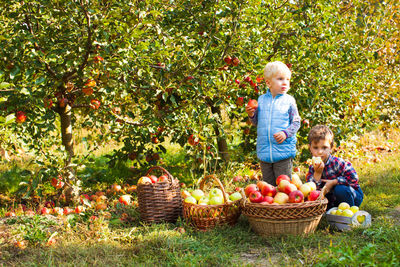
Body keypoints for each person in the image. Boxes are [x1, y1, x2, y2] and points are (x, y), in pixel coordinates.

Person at [246, 61, 301, 186]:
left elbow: (296, 122)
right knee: (268, 189)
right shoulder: (261, 100)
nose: (285, 82)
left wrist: (285, 133)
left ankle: (284, 207)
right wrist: (251, 115)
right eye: (280, 79)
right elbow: (256, 123)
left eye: (287, 79)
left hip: (283, 152)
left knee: (284, 187)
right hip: (264, 152)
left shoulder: (289, 101)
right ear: (268, 83)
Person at [306, 125, 364, 209]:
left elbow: (354, 178)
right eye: (315, 148)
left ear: (331, 148)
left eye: (324, 147)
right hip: (333, 200)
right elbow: (312, 192)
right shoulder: (312, 168)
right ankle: (333, 211)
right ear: (310, 148)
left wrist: (334, 182)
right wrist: (317, 173)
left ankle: (349, 213)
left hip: (352, 195)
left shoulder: (337, 163)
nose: (319, 152)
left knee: (340, 189)